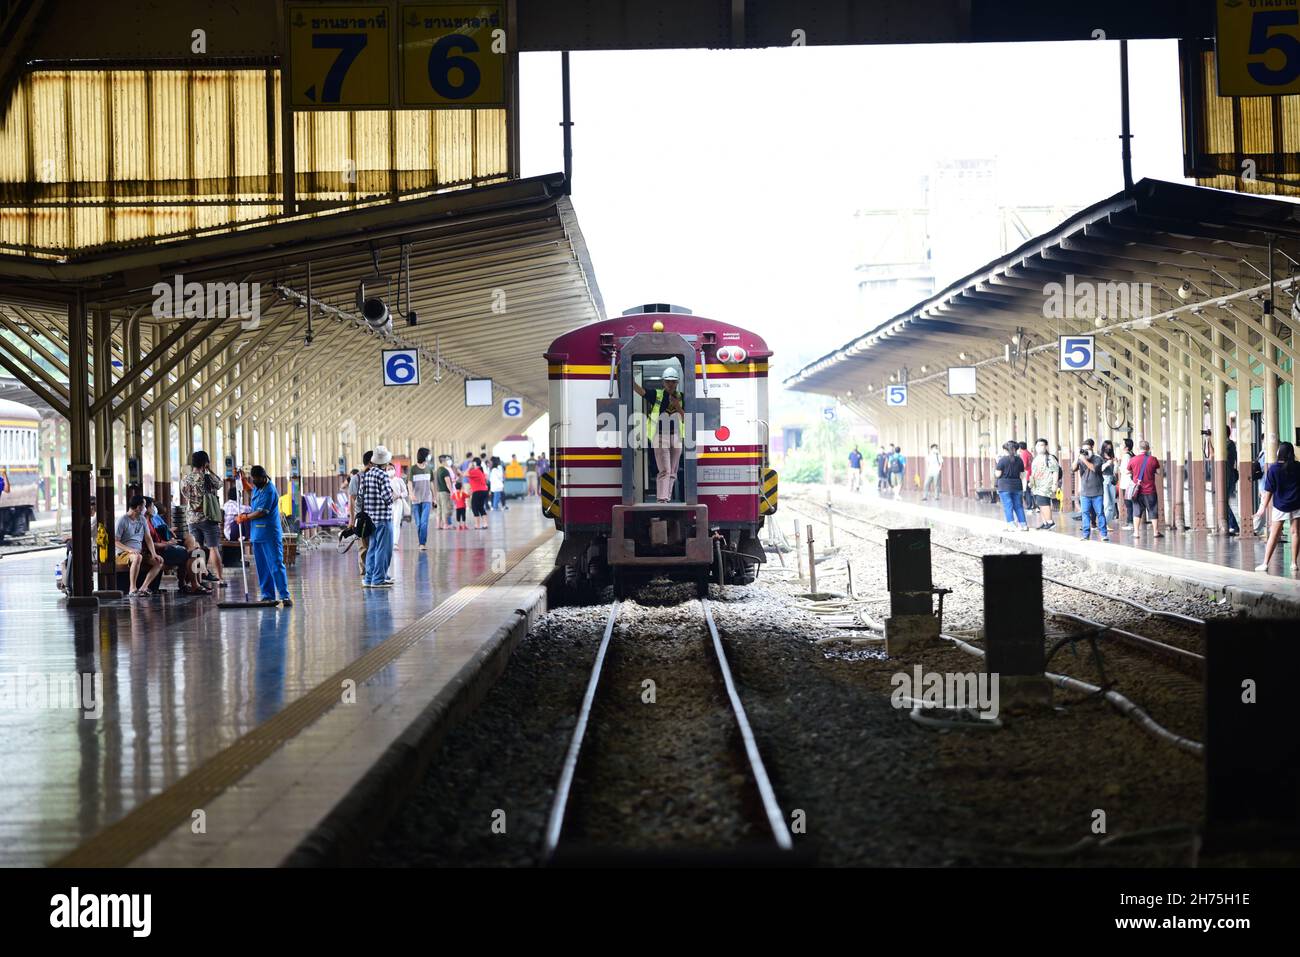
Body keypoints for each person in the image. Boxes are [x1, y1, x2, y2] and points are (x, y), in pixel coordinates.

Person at [234, 465, 291, 605]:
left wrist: (245, 517)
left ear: (264, 477)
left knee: (276, 564)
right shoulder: (258, 488)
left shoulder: (270, 490)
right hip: (257, 534)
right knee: (262, 567)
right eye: (253, 480)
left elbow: (261, 511)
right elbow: (252, 493)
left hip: (269, 534)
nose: (255, 482)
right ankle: (268, 595)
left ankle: (285, 596)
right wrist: (244, 483)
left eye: (257, 479)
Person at [632, 365, 685, 503]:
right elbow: (640, 391)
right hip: (660, 437)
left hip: (676, 437)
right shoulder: (657, 395)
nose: (671, 384)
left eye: (673, 381)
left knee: (673, 471)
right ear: (663, 382)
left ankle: (666, 498)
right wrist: (628, 379)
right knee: (665, 470)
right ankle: (662, 499)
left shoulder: (682, 397)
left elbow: (686, 418)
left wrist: (677, 405)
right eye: (668, 381)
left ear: (677, 382)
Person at [181, 451, 226, 588]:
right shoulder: (207, 478)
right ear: (205, 463)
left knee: (197, 549)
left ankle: (199, 579)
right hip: (208, 517)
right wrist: (209, 469)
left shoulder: (185, 479)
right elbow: (220, 484)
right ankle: (219, 578)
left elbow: (186, 495)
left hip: (192, 518)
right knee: (213, 547)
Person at [1253, 441, 1300, 572]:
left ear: (1279, 452)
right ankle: (1294, 563)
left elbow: (1269, 491)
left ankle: (1265, 563)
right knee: (1295, 532)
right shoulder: (1298, 467)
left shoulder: (1273, 469)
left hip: (1280, 506)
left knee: (1274, 535)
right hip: (1296, 504)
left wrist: (1262, 508)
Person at [359, 446, 395, 587]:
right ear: (385, 462)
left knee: (372, 548)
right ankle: (378, 579)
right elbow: (387, 497)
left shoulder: (367, 474)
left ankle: (369, 578)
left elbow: (361, 496)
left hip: (370, 518)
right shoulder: (383, 475)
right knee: (383, 549)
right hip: (383, 518)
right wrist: (394, 496)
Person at [117, 494, 163, 596]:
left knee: (158, 561)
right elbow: (115, 541)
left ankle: (143, 587)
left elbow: (148, 538)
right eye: (144, 506)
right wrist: (129, 550)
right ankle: (132, 589)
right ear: (138, 507)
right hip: (123, 553)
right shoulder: (123, 520)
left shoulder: (142, 519)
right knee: (138, 557)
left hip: (138, 552)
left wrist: (154, 554)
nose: (145, 509)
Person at [1127, 439, 1163, 539]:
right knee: (1152, 510)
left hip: (1137, 492)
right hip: (1150, 491)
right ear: (1148, 449)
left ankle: (1136, 533)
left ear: (1138, 449)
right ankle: (1156, 532)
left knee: (1137, 511)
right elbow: (1159, 472)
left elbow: (1127, 472)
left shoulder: (1133, 460)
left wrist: (1135, 473)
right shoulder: (1153, 459)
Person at [1074, 441, 1109, 541]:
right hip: (1085, 492)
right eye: (1084, 449)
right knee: (1085, 513)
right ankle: (1085, 535)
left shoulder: (1097, 459)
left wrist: (1084, 460)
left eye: (1088, 449)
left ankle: (1103, 534)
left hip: (1097, 492)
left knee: (1100, 513)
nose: (1086, 451)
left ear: (1092, 449)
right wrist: (1077, 458)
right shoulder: (1081, 458)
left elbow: (1094, 468)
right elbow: (1073, 468)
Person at [348, 453, 373, 577]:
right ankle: (364, 573)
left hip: (374, 516)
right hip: (361, 518)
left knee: (374, 545)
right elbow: (351, 501)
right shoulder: (356, 478)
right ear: (370, 463)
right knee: (363, 546)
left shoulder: (375, 476)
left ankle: (373, 571)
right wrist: (351, 520)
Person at [994, 441, 1028, 531]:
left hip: (1005, 486)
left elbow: (998, 474)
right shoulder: (1019, 460)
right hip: (1017, 485)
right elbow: (1022, 474)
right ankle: (1023, 525)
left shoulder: (1002, 460)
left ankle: (1011, 525)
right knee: (1018, 506)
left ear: (1005, 450)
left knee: (1008, 506)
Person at [1029, 438, 1059, 529]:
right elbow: (1033, 472)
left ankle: (1050, 522)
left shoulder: (1050, 458)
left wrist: (1054, 484)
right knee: (1040, 503)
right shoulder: (1036, 458)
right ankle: (1045, 522)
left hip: (1046, 484)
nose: (1040, 447)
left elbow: (1055, 471)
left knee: (1045, 503)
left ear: (1046, 446)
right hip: (1036, 485)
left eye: (1042, 445)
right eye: (1038, 445)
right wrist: (1031, 483)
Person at [408, 448, 434, 549]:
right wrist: (410, 494)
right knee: (418, 523)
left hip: (427, 499)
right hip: (415, 499)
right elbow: (409, 482)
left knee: (424, 522)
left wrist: (434, 497)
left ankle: (422, 543)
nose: (429, 457)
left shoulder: (429, 468)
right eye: (428, 455)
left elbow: (431, 483)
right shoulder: (413, 469)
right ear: (424, 456)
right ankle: (420, 542)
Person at [1224, 428, 1240, 536]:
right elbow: (1211, 454)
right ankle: (1231, 525)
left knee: (1224, 502)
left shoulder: (1230, 444)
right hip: (1225, 477)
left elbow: (1217, 454)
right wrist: (1208, 439)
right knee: (1224, 502)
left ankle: (1234, 525)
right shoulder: (1225, 444)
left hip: (1229, 476)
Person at [389, 459, 409, 547]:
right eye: (388, 469)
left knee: (396, 522)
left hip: (398, 503)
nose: (390, 471)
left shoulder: (399, 480)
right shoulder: (384, 481)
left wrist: (399, 495)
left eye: (391, 469)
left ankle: (395, 542)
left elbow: (405, 492)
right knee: (389, 523)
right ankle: (388, 541)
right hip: (388, 504)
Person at [465, 456, 489, 529]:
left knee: (475, 508)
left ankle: (477, 525)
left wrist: (469, 467)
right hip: (483, 491)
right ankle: (485, 524)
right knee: (480, 508)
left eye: (472, 462)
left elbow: (465, 474)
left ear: (474, 463)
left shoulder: (475, 471)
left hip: (478, 491)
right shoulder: (480, 471)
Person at [1118, 437, 1136, 529]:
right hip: (1131, 482)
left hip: (1127, 483)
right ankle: (1131, 522)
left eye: (1122, 443)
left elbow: (1126, 470)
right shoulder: (1132, 454)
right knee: (1131, 503)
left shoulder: (1126, 456)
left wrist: (1119, 467)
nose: (1121, 445)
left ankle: (1130, 523)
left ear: (1126, 447)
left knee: (1128, 504)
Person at [1100, 440, 1119, 522]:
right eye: (1107, 447)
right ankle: (1104, 523)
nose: (1108, 449)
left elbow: (1115, 472)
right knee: (1106, 502)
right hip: (1104, 480)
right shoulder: (1100, 458)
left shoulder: (1112, 458)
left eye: (1110, 447)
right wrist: (1107, 463)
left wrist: (1116, 464)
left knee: (1111, 502)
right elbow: (1100, 469)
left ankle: (1107, 522)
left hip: (1111, 480)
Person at [436, 455, 455, 530]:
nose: (448, 462)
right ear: (443, 461)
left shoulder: (438, 470)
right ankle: (445, 524)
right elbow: (448, 482)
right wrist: (451, 491)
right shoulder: (445, 470)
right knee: (446, 508)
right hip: (445, 492)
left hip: (439, 492)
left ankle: (438, 525)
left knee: (439, 509)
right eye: (447, 460)